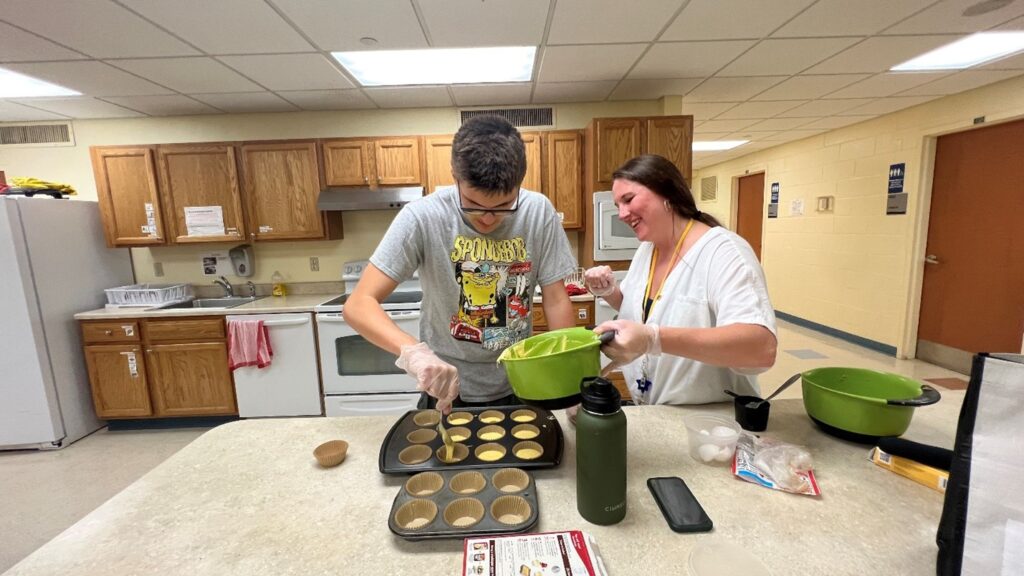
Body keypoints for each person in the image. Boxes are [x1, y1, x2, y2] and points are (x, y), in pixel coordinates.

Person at [344, 115, 577, 413]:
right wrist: (414, 352)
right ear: (454, 175)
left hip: (521, 382)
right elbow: (358, 303)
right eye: (473, 204)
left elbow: (556, 300)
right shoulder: (421, 217)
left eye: (505, 206)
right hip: (445, 389)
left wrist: (569, 379)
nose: (489, 218)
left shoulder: (538, 211)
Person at [585, 154, 777, 405]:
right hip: (659, 414)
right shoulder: (648, 250)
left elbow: (760, 349)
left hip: (715, 425)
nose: (621, 214)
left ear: (667, 193)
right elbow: (646, 312)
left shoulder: (724, 252)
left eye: (628, 200)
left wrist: (654, 339)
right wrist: (610, 292)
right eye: (618, 205)